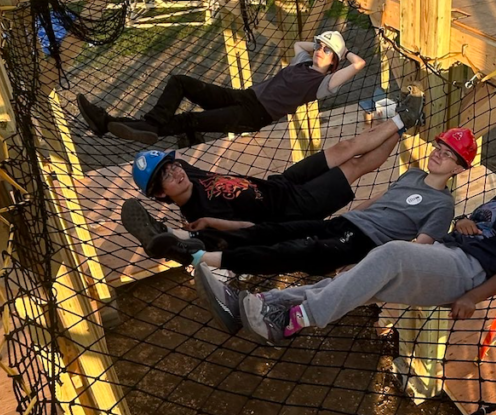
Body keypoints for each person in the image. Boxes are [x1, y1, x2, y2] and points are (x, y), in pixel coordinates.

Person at [232, 143, 496, 345]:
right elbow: (480, 224)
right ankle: (270, 303)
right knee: (356, 282)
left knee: (388, 253)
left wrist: (472, 297)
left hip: (466, 271)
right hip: (445, 254)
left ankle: (296, 320)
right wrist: (464, 219)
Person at [193, 128, 478, 332]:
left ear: (459, 168)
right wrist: (344, 216)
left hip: (366, 243)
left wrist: (366, 266)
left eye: (448, 155)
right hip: (347, 225)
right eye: (438, 148)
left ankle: (215, 266)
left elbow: (420, 250)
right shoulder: (413, 173)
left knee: (296, 252)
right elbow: (378, 200)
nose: (438, 155)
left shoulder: (442, 206)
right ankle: (202, 252)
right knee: (278, 230)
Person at [120, 103, 426, 264]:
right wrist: (183, 232)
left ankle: (403, 118)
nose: (175, 172)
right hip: (297, 209)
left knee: (345, 147)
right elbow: (245, 233)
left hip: (281, 183)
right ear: (161, 193)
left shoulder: (186, 173)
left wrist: (151, 131)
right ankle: (400, 132)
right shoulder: (200, 217)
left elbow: (171, 147)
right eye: (165, 176)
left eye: (171, 165)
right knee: (356, 165)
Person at [77, 30, 366, 146]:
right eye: (320, 46)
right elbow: (300, 45)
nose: (318, 51)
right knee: (181, 81)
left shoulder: (323, 84)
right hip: (245, 96)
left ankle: (108, 123)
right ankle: (148, 125)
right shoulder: (303, 63)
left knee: (187, 120)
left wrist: (343, 52)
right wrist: (323, 45)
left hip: (254, 115)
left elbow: (359, 64)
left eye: (326, 52)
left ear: (334, 63)